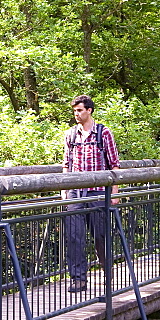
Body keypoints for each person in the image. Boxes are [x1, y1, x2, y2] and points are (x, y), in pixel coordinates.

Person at [62, 94, 120, 292]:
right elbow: (66, 165)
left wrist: (114, 192)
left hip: (98, 193)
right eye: (74, 111)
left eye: (79, 110)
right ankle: (78, 280)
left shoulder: (103, 133)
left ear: (89, 110)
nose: (76, 114)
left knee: (101, 236)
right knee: (74, 237)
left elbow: (114, 165)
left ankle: (107, 273)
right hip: (75, 193)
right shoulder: (70, 135)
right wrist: (64, 191)